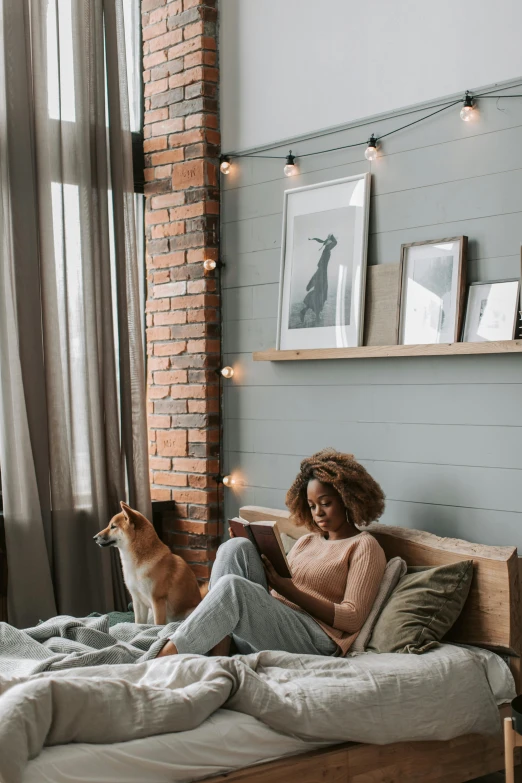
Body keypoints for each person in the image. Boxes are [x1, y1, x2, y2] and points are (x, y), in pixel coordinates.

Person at [157, 449, 386, 659]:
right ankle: (219, 650)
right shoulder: (308, 540)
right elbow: (275, 589)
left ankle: (165, 656)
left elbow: (352, 618)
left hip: (315, 639)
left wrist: (288, 590)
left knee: (233, 588)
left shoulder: (364, 546)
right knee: (234, 548)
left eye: (326, 503)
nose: (318, 513)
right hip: (276, 625)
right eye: (312, 505)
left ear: (348, 499)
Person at [300, 234, 338, 324]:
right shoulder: (326, 251)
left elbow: (320, 267)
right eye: (329, 243)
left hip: (322, 274)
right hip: (322, 275)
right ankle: (315, 317)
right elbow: (335, 243)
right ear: (328, 244)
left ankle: (304, 312)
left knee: (319, 296)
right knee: (320, 296)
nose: (330, 245)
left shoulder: (326, 251)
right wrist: (332, 237)